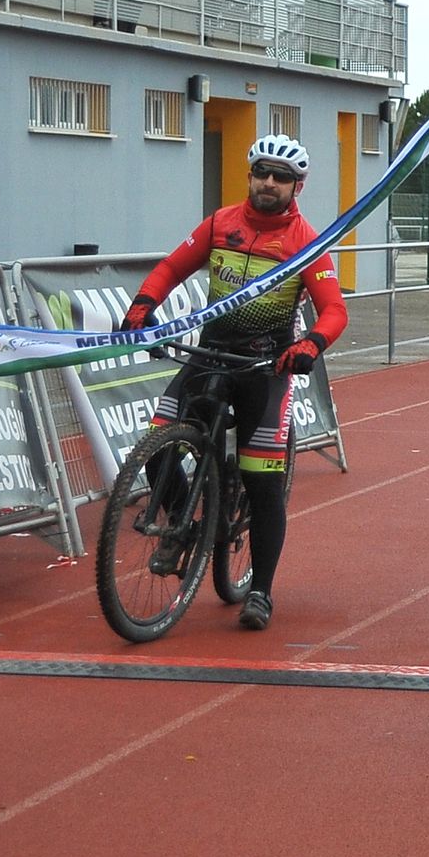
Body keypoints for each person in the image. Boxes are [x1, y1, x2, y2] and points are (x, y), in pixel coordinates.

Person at [116, 135, 346, 631]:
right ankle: (186, 526)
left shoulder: (307, 241)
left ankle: (260, 589)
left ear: (297, 186)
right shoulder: (221, 223)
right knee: (157, 444)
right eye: (262, 172)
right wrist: (142, 306)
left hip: (265, 369)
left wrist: (310, 344)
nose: (269, 182)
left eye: (281, 177)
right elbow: (172, 268)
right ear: (250, 175)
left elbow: (334, 310)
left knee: (262, 484)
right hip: (209, 356)